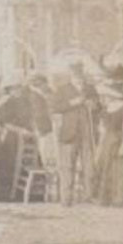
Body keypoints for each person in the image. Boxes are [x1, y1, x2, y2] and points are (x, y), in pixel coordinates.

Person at [50, 71, 92, 207]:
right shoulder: (63, 90)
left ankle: (88, 197)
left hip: (87, 133)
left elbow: (98, 106)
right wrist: (73, 102)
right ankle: (66, 199)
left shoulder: (90, 89)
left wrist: (94, 104)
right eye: (77, 75)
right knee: (67, 166)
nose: (80, 78)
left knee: (89, 166)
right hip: (69, 133)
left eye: (81, 74)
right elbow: (55, 107)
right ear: (71, 76)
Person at [93, 78, 123, 207]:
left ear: (111, 95)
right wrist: (99, 149)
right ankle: (108, 199)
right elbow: (102, 131)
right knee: (106, 168)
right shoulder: (105, 110)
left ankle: (122, 199)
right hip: (107, 141)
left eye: (105, 96)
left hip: (119, 139)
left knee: (121, 169)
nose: (103, 98)